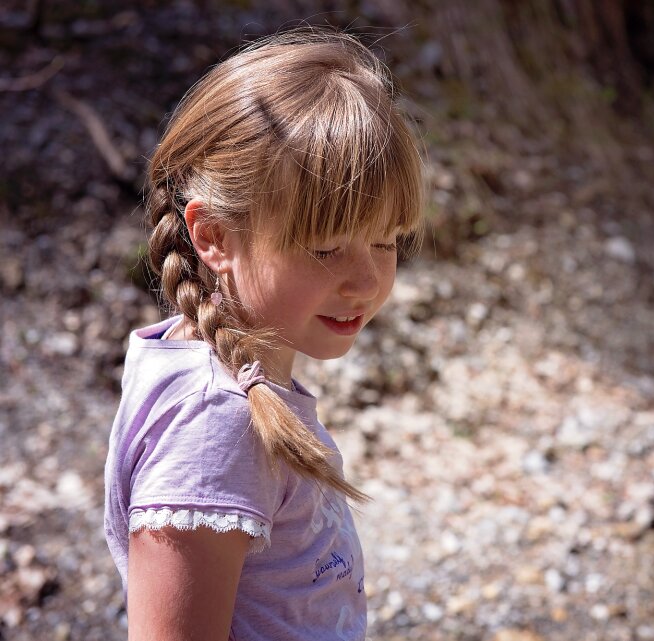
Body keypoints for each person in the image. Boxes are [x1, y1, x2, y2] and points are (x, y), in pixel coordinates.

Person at [103, 28, 423, 641]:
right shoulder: (213, 427)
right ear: (214, 236)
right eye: (326, 247)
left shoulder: (235, 380)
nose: (365, 280)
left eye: (387, 241)